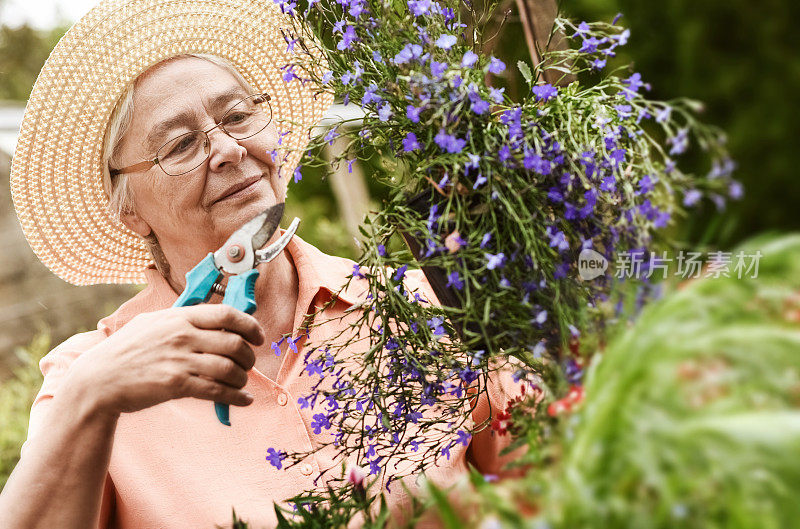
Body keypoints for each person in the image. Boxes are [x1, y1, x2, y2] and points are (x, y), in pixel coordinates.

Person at [0, 1, 527, 528]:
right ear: (131, 209)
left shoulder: (418, 304)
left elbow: (549, 485)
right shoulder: (90, 378)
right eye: (181, 144)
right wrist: (90, 396)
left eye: (237, 116)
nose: (228, 148)